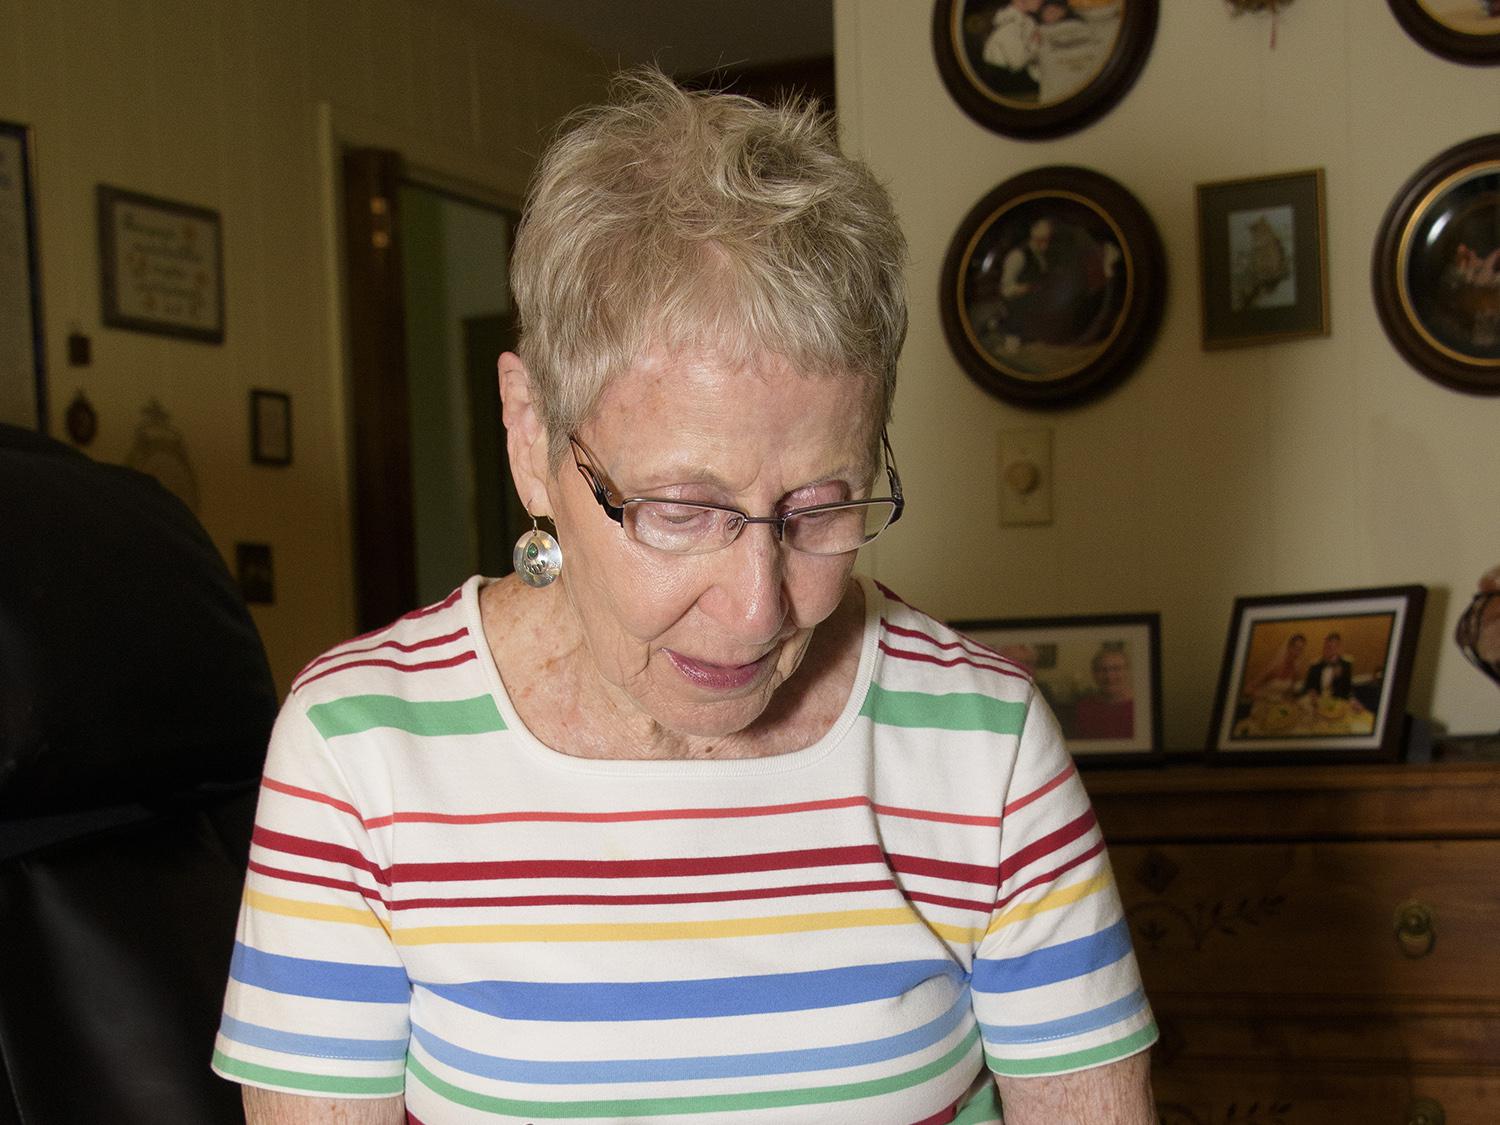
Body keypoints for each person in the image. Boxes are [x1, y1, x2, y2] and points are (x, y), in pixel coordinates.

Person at [215, 69, 1156, 1124]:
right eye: (678, 510)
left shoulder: (980, 747)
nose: (759, 609)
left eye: (818, 507)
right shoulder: (359, 750)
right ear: (531, 436)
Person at [1073, 645, 1135, 740]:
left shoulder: (1142, 709)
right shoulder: (1083, 708)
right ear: (1094, 674)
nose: (1109, 676)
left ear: (1127, 671)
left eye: (1116, 669)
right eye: (1102, 670)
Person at [1244, 632, 1307, 700]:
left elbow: (1290, 694)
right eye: (1295, 648)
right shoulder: (1275, 666)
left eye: (1300, 649)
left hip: (1279, 705)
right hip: (1263, 703)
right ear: (1289, 647)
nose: (1297, 653)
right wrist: (1262, 697)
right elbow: (1248, 689)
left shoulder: (1295, 670)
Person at [1302, 632, 1354, 700]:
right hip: (1317, 702)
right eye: (1328, 647)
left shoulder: (1346, 665)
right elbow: (1307, 687)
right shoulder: (1315, 665)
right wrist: (1311, 691)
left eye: (1334, 647)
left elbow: (1348, 690)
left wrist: (1338, 677)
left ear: (1339, 648)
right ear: (1324, 647)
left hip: (1338, 704)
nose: (1331, 651)